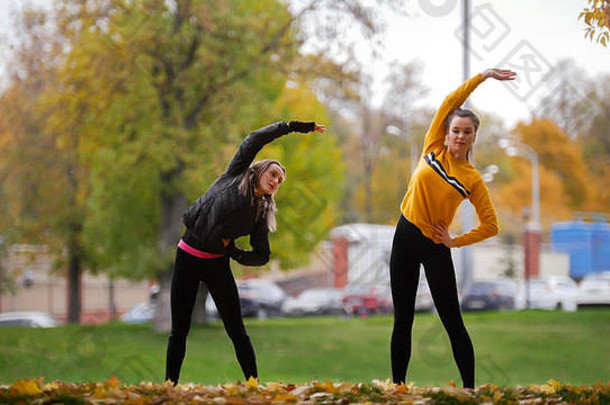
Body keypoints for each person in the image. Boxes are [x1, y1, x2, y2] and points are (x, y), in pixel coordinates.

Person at [165, 120, 325, 385]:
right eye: (273, 174)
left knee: (237, 331)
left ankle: (254, 386)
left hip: (217, 265)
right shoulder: (235, 175)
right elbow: (255, 138)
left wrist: (235, 252)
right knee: (179, 331)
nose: (276, 181)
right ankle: (169, 386)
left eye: (280, 180)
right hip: (188, 257)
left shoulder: (260, 213)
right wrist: (295, 126)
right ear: (259, 171)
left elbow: (262, 255)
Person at [389, 68, 516, 388]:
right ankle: (398, 389)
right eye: (456, 130)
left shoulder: (471, 177)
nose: (460, 136)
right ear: (446, 132)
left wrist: (456, 241)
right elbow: (451, 100)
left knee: (453, 323)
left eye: (467, 132)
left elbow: (492, 225)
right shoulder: (433, 145)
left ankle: (470, 391)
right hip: (405, 237)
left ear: (474, 136)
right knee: (403, 320)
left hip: (436, 246)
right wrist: (484, 76)